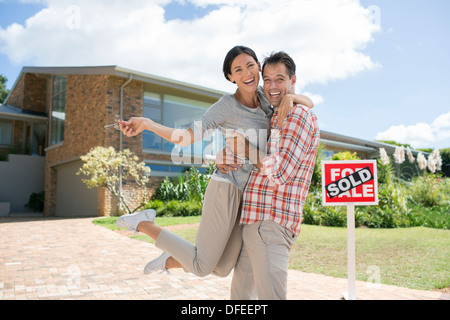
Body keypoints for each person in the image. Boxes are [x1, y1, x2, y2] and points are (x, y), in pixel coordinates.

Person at [115, 46, 314, 278]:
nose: (246, 73)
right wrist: (148, 123)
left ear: (259, 67)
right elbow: (186, 136)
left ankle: (170, 259)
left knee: (222, 267)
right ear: (230, 77)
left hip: (249, 197)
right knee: (202, 266)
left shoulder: (266, 96)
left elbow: (308, 102)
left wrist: (291, 96)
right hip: (227, 187)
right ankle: (143, 223)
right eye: (237, 70)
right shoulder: (226, 106)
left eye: (250, 65)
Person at [222, 51, 320, 300]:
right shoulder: (274, 113)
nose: (272, 86)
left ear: (293, 80)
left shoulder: (297, 115)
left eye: (280, 79)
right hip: (256, 224)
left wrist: (245, 147)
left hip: (270, 223)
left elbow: (279, 172)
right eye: (267, 79)